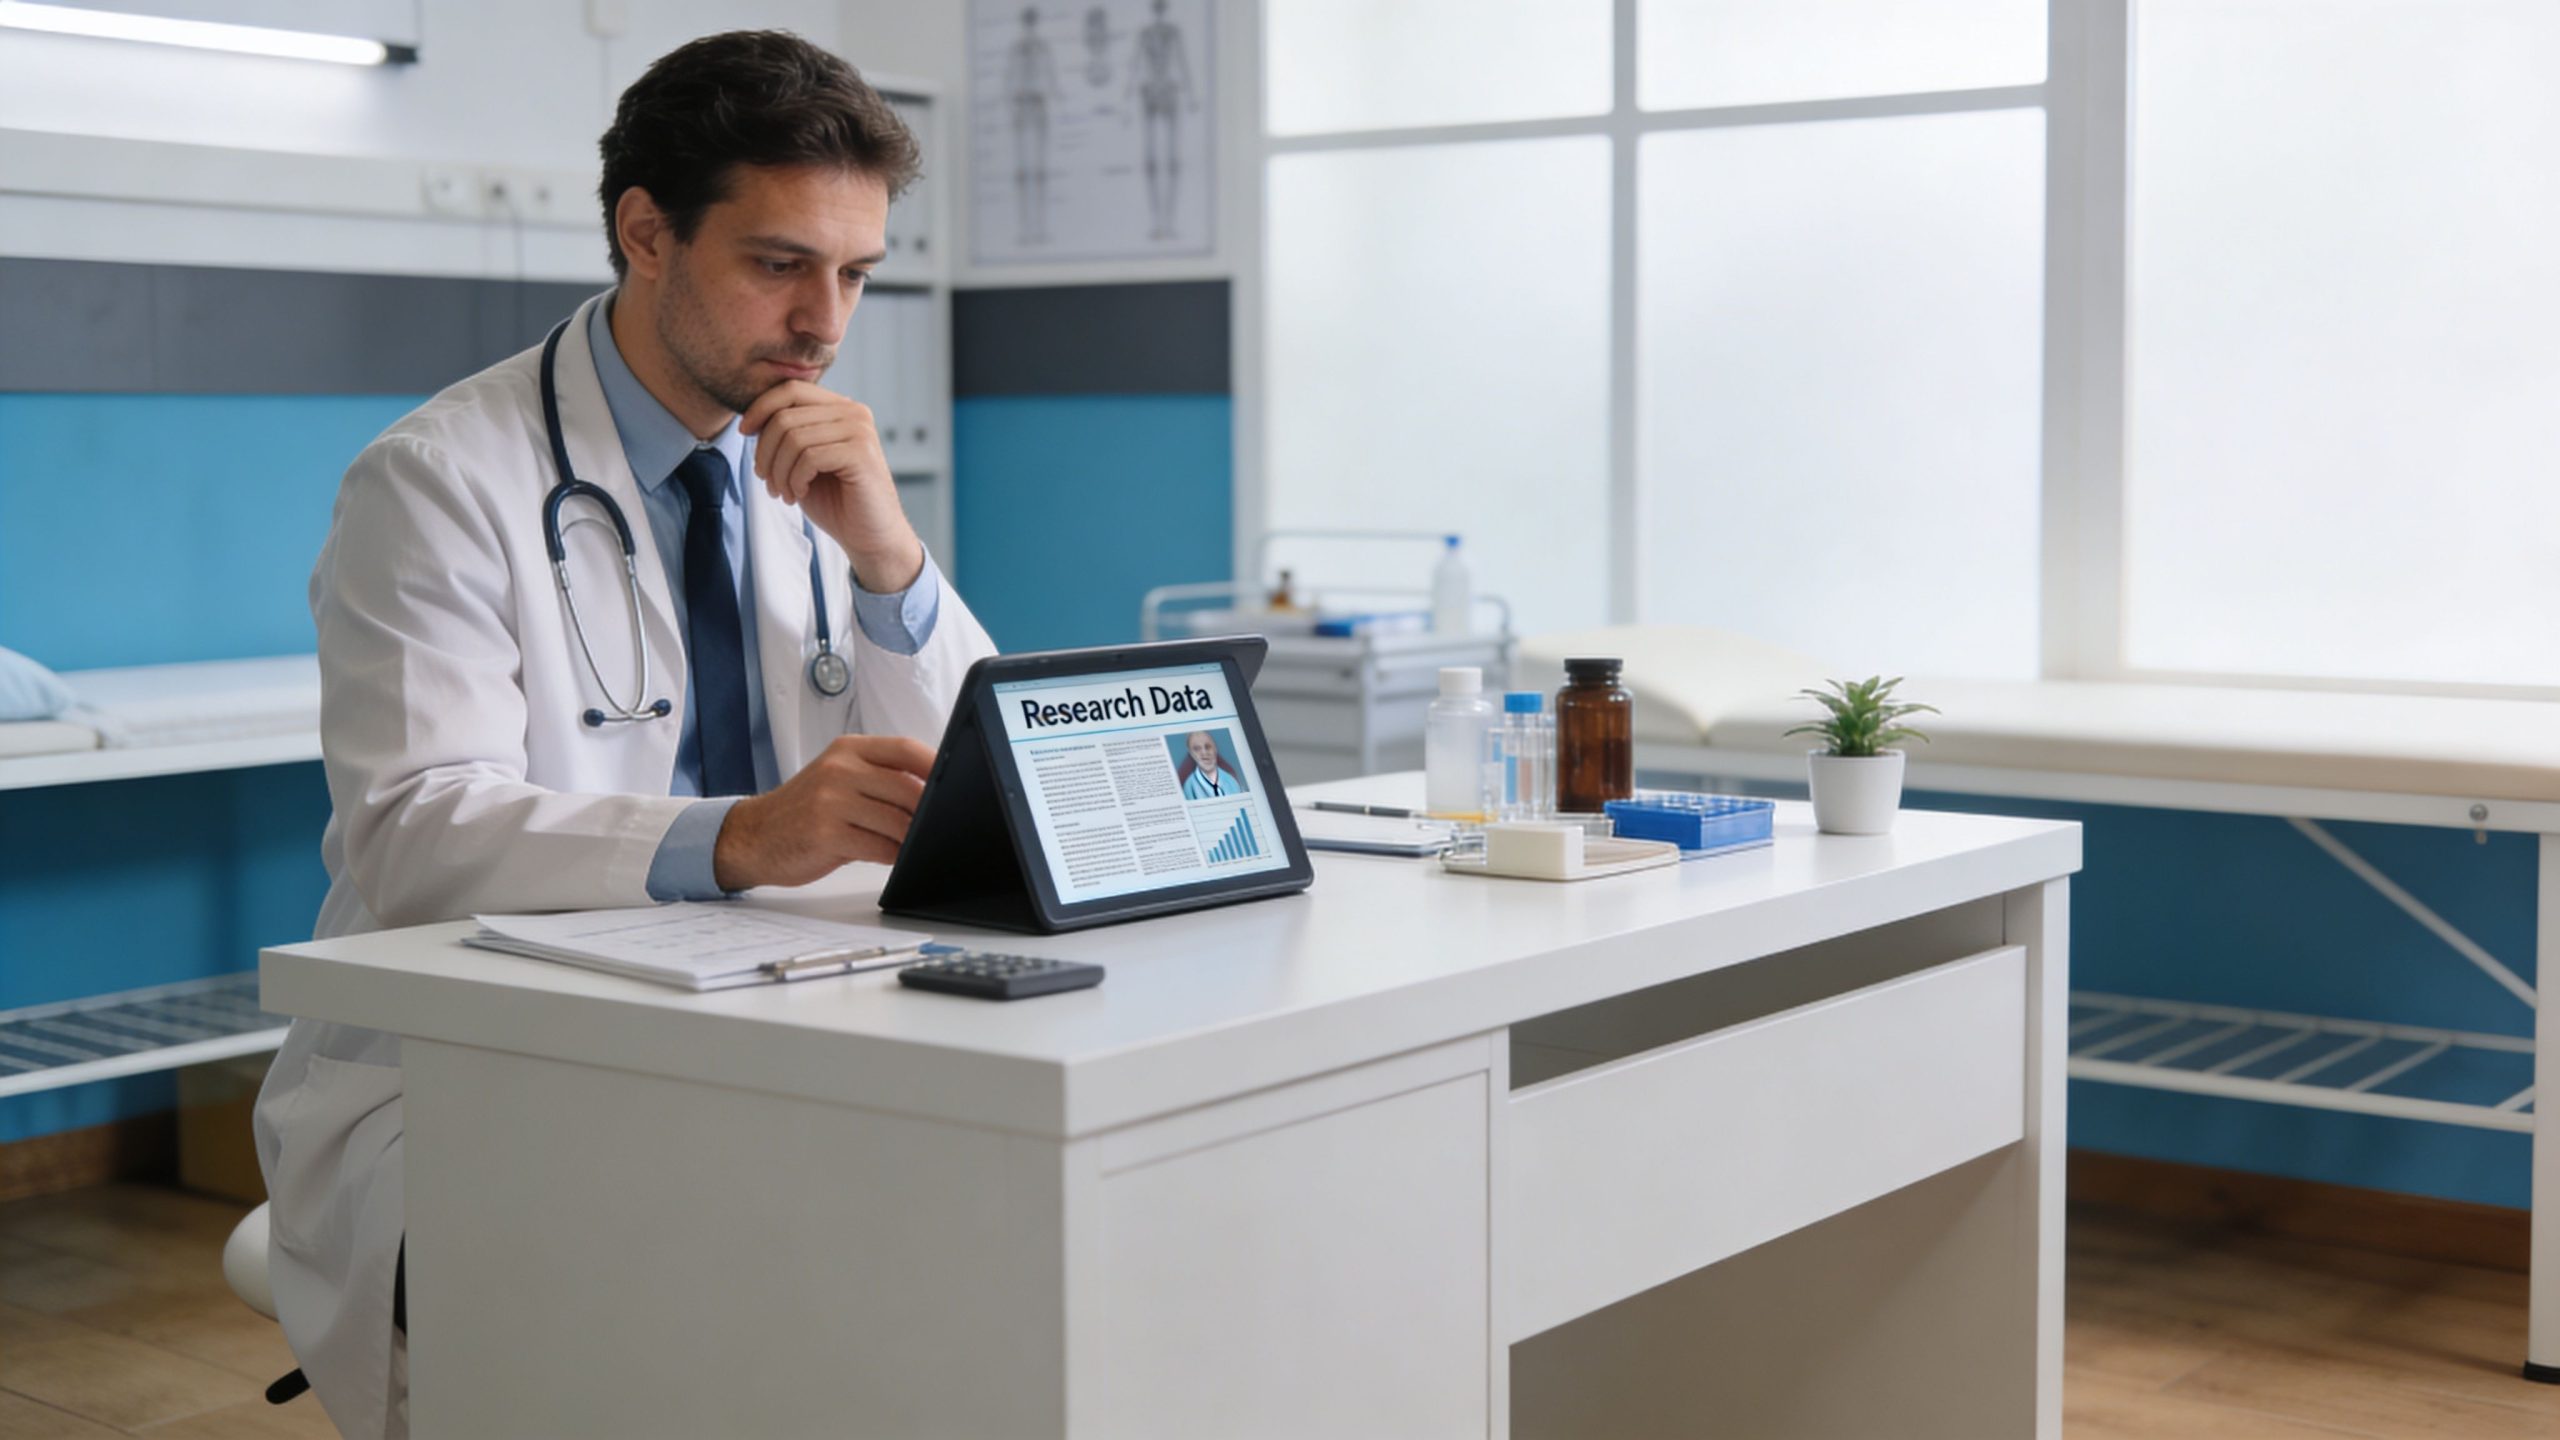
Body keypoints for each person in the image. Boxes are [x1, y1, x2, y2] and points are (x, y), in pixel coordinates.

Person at [250, 32, 995, 1439]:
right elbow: (413, 834)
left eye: (857, 273)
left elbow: (988, 777)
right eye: (780, 264)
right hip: (476, 1065)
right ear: (643, 233)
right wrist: (739, 839)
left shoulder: (814, 473)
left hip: (777, 1020)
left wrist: (893, 564)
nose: (826, 321)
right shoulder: (440, 480)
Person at [1180, 729, 1241, 799]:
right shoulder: (1189, 787)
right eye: (1197, 749)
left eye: (1208, 747)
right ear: (1191, 753)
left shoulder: (1231, 781)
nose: (1204, 753)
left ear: (1215, 748)